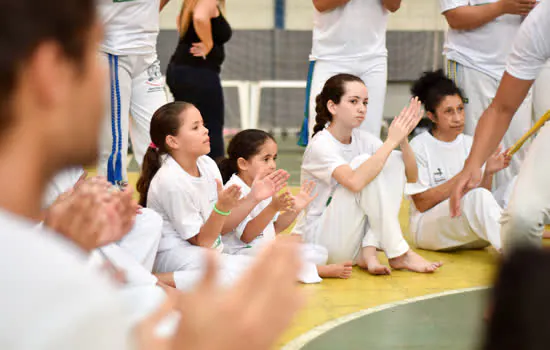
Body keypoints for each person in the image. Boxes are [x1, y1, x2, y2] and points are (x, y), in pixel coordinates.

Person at [0, 0, 307, 348]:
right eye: (92, 53)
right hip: (181, 251)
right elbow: (207, 240)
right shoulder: (45, 286)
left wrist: (65, 239)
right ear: (49, 70)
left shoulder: (204, 165)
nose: (105, 74)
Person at [294, 73, 442, 274]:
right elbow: (354, 182)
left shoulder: (364, 139)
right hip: (322, 243)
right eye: (353, 101)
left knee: (392, 161)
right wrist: (390, 142)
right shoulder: (321, 145)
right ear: (332, 106)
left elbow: (411, 176)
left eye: (365, 102)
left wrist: (402, 140)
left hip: (351, 241)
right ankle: (398, 253)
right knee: (366, 164)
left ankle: (369, 251)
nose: (362, 108)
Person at [450, 0, 550, 252]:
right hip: (478, 64)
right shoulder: (541, 21)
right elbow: (501, 108)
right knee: (520, 221)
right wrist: (472, 165)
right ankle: (527, 288)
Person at [137, 102, 258, 289]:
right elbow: (203, 240)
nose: (205, 130)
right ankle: (158, 280)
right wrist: (222, 208)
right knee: (238, 276)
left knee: (255, 268)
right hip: (175, 255)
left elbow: (219, 229)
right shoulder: (170, 181)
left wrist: (252, 198)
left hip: (202, 252)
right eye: (195, 127)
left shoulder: (207, 164)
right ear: (173, 141)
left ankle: (174, 282)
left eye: (203, 124)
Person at [219, 129, 354, 281]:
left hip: (264, 248)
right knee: (267, 261)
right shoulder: (234, 189)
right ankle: (317, 270)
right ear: (243, 163)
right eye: (266, 159)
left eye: (274, 158)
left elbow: (275, 227)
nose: (272, 165)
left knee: (318, 252)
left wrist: (296, 208)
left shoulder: (264, 185)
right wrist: (273, 208)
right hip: (242, 252)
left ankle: (301, 267)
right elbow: (247, 236)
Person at [407, 70, 511, 252]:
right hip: (427, 230)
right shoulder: (418, 146)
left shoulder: (471, 143)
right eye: (448, 111)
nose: (458, 118)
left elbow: (479, 197)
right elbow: (421, 203)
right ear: (431, 116)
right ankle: (518, 259)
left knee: (514, 185)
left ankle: (518, 247)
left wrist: (488, 172)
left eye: (460, 109)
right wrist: (464, 174)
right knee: (481, 199)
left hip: (466, 231)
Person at [439, 0, 537, 189]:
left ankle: (505, 215)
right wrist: (502, 7)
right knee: (472, 152)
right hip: (471, 63)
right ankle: (472, 214)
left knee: (514, 156)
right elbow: (455, 16)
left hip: (517, 67)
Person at [298, 0, 401, 146]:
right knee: (322, 132)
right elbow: (321, 4)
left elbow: (394, 5)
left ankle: (363, 168)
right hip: (330, 57)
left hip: (372, 58)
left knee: (369, 135)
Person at [97, 0, 171, 186]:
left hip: (147, 53)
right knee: (114, 141)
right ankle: (112, 199)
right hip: (112, 52)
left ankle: (157, 198)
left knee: (161, 132)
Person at [166, 0, 231, 161]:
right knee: (211, 126)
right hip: (198, 74)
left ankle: (184, 170)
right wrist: (208, 44)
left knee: (186, 126)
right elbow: (200, 17)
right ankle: (215, 177)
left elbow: (180, 19)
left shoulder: (190, 2)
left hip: (180, 70)